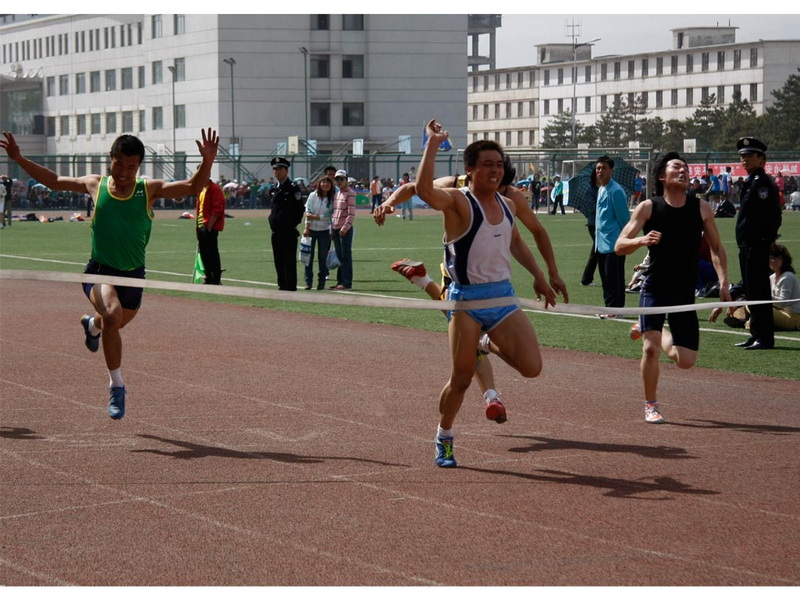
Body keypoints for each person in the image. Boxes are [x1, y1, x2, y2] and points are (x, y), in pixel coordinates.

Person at [1, 128, 219, 420]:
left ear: (139, 166)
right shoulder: (96, 184)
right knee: (114, 316)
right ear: (110, 159)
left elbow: (193, 187)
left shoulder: (148, 189)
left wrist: (207, 161)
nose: (125, 172)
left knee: (112, 324)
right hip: (99, 271)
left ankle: (92, 325)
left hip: (133, 276)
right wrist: (19, 158)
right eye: (120, 164)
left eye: (131, 166)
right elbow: (54, 181)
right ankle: (117, 385)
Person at [375, 157, 568, 428]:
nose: (493, 192)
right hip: (459, 278)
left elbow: (533, 233)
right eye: (489, 175)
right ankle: (482, 402)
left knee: (488, 351)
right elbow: (416, 188)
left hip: (497, 288)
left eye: (499, 182)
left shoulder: (511, 200)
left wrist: (550, 273)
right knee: (463, 368)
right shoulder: (455, 189)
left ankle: (425, 283)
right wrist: (389, 202)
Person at [411, 119, 559, 468]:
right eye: (487, 165)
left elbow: (518, 242)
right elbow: (422, 190)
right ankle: (444, 436)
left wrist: (539, 276)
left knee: (532, 367)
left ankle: (486, 343)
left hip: (502, 299)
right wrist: (432, 144)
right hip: (465, 302)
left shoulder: (509, 204)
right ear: (470, 170)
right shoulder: (458, 202)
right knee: (461, 379)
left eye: (499, 165)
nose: (495, 170)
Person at [615, 151, 731, 424]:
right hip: (655, 287)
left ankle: (647, 328)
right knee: (650, 350)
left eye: (685, 168)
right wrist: (642, 241)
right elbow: (619, 246)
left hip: (684, 292)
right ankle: (651, 404)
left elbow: (716, 247)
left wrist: (724, 281)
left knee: (685, 360)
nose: (683, 171)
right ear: (661, 176)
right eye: (676, 167)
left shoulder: (701, 208)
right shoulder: (648, 207)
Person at [733, 137, 783, 350]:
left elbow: (772, 216)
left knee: (760, 291)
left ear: (761, 158)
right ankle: (756, 334)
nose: (745, 160)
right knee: (752, 291)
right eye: (742, 156)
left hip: (757, 245)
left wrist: (766, 239)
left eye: (749, 156)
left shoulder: (762, 182)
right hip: (747, 245)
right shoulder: (751, 180)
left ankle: (765, 337)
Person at [711, 243, 800, 332]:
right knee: (747, 306)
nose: (773, 260)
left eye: (778, 258)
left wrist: (760, 296)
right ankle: (752, 321)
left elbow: (782, 303)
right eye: (771, 257)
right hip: (778, 312)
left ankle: (747, 323)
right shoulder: (772, 277)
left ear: (785, 260)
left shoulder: (787, 277)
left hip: (792, 316)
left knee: (756, 307)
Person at [594, 156, 630, 316]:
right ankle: (609, 307)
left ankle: (617, 309)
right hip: (601, 243)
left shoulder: (616, 191)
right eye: (598, 168)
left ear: (611, 171)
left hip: (614, 243)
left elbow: (624, 219)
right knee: (605, 278)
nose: (600, 171)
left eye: (603, 168)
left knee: (614, 277)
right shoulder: (601, 189)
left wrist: (625, 240)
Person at [268, 156, 305, 291]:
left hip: (288, 230)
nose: (277, 172)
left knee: (289, 260)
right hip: (276, 230)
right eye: (275, 169)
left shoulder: (292, 188)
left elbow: (299, 209)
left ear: (286, 170)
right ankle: (282, 284)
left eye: (280, 169)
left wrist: (291, 224)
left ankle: (290, 285)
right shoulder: (274, 188)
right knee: (278, 259)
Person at [303, 176, 335, 290]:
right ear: (319, 184)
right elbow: (308, 212)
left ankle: (321, 282)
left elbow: (330, 215)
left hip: (325, 231)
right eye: (323, 182)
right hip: (311, 230)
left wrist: (317, 217)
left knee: (322, 257)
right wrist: (307, 227)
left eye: (328, 182)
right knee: (308, 257)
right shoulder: (312, 196)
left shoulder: (332, 198)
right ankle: (308, 281)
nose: (325, 184)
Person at [195, 174, 226, 285]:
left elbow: (218, 208)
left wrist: (209, 225)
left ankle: (215, 277)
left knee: (212, 252)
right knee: (204, 253)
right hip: (201, 226)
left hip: (209, 227)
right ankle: (208, 276)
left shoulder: (214, 188)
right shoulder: (201, 189)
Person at [330, 169, 356, 290]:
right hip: (336, 227)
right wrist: (332, 228)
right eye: (337, 179)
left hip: (343, 229)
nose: (339, 181)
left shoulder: (350, 193)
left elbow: (351, 214)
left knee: (345, 256)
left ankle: (346, 282)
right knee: (339, 256)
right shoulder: (337, 193)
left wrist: (345, 228)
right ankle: (340, 281)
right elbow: (334, 212)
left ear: (346, 180)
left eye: (341, 179)